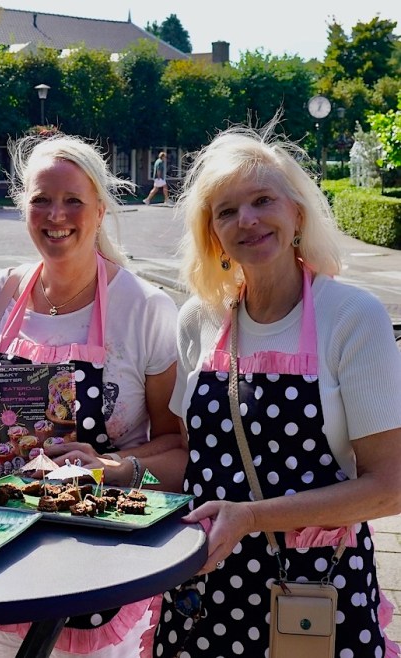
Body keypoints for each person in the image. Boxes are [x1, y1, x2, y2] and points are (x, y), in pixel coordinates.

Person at [153, 119, 401, 657]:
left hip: (313, 590)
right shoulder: (199, 320)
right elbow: (196, 462)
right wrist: (113, 470)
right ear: (212, 234)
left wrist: (249, 518)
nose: (247, 219)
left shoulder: (352, 317)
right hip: (205, 586)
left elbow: (390, 487)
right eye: (226, 211)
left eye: (263, 200)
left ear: (298, 213)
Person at [0, 133, 188, 657]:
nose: (56, 215)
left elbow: (177, 449)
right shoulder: (0, 293)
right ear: (24, 208)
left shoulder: (143, 308)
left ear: (101, 210)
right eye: (41, 199)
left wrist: (114, 467)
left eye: (73, 201)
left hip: (100, 555)